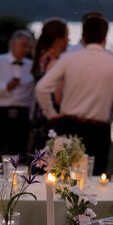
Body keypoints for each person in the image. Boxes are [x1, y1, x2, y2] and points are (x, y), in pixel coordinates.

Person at [35, 14, 113, 175]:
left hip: (68, 127)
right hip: (99, 132)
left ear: (83, 35)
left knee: (63, 179)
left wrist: (51, 114)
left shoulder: (68, 59)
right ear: (105, 36)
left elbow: (41, 88)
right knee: (95, 183)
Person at [0, 30, 35, 157]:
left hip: (22, 117)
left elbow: (33, 95)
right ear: (13, 44)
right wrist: (5, 87)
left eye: (29, 46)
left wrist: (30, 117)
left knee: (20, 156)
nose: (26, 49)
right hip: (0, 115)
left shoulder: (30, 66)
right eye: (24, 45)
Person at [28, 19, 70, 152]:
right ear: (58, 39)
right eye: (67, 36)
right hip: (51, 115)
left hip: (39, 114)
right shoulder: (54, 61)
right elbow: (57, 95)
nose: (69, 41)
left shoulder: (42, 57)